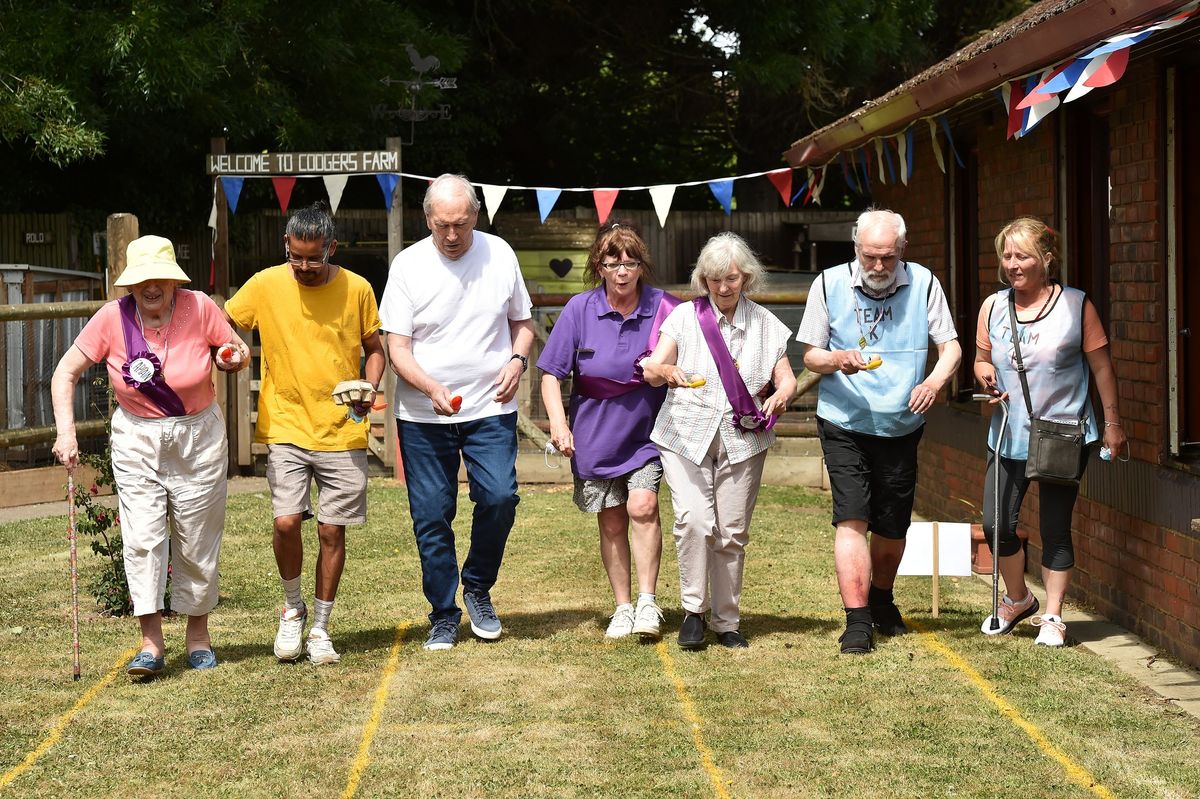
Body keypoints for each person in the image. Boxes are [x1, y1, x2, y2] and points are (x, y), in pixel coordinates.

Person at [51, 235, 249, 677]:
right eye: (143, 280)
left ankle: (198, 635)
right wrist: (66, 432)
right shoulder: (111, 319)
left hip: (198, 437)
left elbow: (234, 350)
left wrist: (234, 358)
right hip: (137, 439)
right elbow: (65, 372)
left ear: (173, 280)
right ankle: (151, 643)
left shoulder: (200, 307)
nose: (152, 287)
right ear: (130, 285)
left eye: (160, 278)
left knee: (197, 538)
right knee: (142, 539)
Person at [225, 202, 385, 666]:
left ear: (331, 248)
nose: (305, 267)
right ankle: (291, 609)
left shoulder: (357, 288)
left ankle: (319, 625)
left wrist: (368, 387)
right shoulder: (265, 283)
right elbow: (228, 325)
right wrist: (231, 351)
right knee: (286, 522)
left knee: (333, 530)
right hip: (286, 423)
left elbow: (376, 349)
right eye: (297, 257)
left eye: (314, 258)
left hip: (341, 429)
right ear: (287, 248)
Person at [380, 173, 534, 651]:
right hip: (423, 414)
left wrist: (517, 359)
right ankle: (444, 612)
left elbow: (523, 323)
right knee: (430, 514)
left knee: (500, 498)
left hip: (490, 405)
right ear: (427, 219)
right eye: (443, 225)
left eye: (461, 225)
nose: (452, 235)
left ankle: (479, 588)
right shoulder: (407, 266)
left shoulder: (500, 254)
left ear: (475, 218)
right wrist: (430, 386)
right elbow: (396, 348)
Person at [797, 209, 961, 655]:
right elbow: (810, 355)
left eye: (887, 258)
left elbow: (951, 346)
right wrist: (836, 359)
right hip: (844, 419)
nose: (878, 267)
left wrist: (932, 382)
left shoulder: (925, 282)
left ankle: (882, 599)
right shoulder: (828, 283)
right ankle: (856, 621)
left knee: (892, 524)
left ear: (902, 251)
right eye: (870, 257)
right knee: (852, 517)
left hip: (901, 422)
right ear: (856, 249)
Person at [975, 217, 1125, 647]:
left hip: (1063, 433)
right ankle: (1019, 599)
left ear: (1046, 259)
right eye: (1006, 255)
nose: (1012, 265)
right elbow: (982, 360)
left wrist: (1113, 422)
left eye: (1022, 255)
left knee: (1056, 526)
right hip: (1008, 433)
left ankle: (1055, 617)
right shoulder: (992, 307)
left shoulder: (1077, 305)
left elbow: (1102, 368)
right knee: (995, 523)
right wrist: (986, 376)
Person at [644, 232, 797, 650]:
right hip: (684, 434)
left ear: (745, 277)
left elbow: (785, 376)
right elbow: (653, 367)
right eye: (714, 280)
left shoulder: (766, 324)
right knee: (694, 520)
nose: (723, 287)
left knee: (731, 531)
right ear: (703, 280)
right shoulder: (683, 318)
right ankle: (693, 611)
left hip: (744, 438)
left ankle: (726, 621)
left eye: (730, 279)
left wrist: (784, 391)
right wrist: (665, 372)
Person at [538, 221, 676, 640]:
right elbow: (550, 374)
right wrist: (559, 425)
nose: (622, 271)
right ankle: (623, 606)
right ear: (599, 266)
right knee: (612, 521)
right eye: (613, 262)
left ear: (641, 266)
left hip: (647, 436)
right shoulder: (579, 309)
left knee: (642, 507)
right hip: (594, 437)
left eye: (630, 262)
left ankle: (649, 602)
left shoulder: (664, 308)